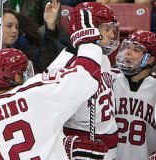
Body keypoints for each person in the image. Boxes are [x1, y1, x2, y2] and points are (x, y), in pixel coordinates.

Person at [0, 45, 109, 159]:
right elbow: (87, 77)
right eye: (24, 70)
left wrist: (59, 145)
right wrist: (89, 43)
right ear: (16, 77)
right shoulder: (36, 94)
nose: (29, 73)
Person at [45, 2, 120, 159]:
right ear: (89, 29)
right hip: (82, 142)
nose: (112, 35)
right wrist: (65, 142)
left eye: (112, 29)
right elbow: (47, 114)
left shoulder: (102, 56)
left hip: (108, 140)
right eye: (106, 29)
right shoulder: (64, 64)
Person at [112, 30, 156, 160]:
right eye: (127, 48)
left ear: (150, 59)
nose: (127, 53)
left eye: (136, 50)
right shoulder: (110, 81)